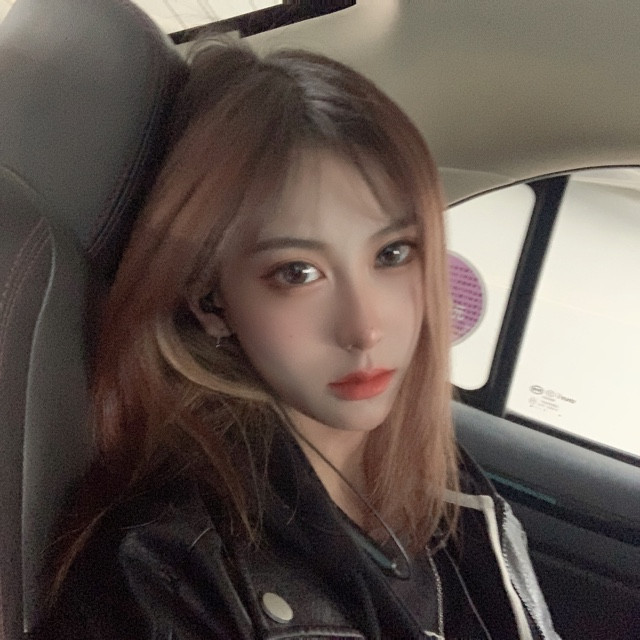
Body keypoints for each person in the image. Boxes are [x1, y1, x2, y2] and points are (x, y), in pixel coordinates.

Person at [37, 39, 559, 640]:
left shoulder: (446, 487)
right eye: (297, 273)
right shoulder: (167, 571)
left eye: (392, 254)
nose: (364, 329)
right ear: (211, 303)